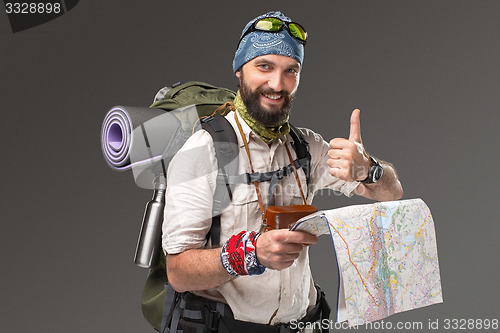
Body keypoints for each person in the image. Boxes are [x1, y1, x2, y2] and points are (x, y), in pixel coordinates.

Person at [162, 11, 403, 332]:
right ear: (239, 70)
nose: (277, 84)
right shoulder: (202, 151)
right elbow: (178, 273)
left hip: (307, 323)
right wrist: (248, 255)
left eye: (291, 70)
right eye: (264, 66)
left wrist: (368, 169)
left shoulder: (306, 146)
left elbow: (391, 194)